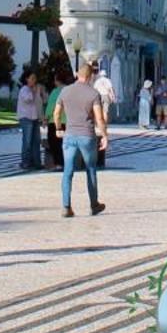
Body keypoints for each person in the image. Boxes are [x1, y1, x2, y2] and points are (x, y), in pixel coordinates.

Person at [54, 61, 107, 217]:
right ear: (90, 77)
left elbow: (56, 113)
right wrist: (104, 135)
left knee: (68, 171)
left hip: (69, 135)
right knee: (90, 169)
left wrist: (58, 128)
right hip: (87, 136)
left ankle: (66, 206)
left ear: (77, 74)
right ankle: (94, 204)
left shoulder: (65, 91)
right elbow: (99, 117)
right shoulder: (93, 94)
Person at [18, 71, 45, 170]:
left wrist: (42, 117)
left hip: (35, 118)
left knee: (36, 141)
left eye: (35, 78)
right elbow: (28, 99)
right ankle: (25, 162)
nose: (34, 80)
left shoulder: (36, 90)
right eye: (32, 78)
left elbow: (40, 103)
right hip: (26, 118)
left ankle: (36, 162)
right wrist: (34, 91)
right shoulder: (24, 90)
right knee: (27, 141)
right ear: (27, 79)